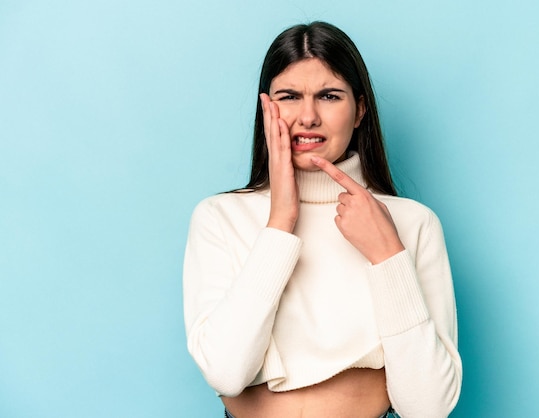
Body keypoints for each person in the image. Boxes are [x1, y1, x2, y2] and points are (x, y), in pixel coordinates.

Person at [183, 21, 462, 418]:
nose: (308, 117)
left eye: (329, 96)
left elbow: (427, 408)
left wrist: (387, 254)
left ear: (360, 109)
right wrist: (280, 222)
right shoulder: (219, 217)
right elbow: (226, 374)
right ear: (266, 107)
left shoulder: (413, 223)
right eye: (289, 96)